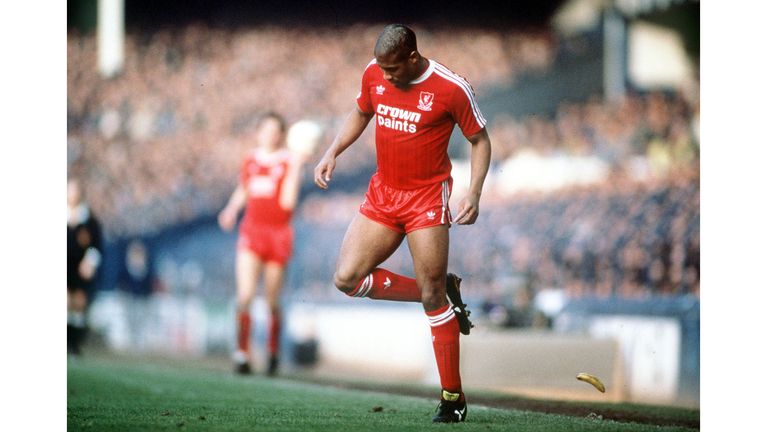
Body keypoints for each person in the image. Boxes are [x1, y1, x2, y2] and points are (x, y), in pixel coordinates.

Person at [313, 24, 492, 423]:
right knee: (347, 279)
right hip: (384, 194)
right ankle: (440, 293)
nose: (387, 76)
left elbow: (480, 140)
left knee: (432, 302)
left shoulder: (451, 88)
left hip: (426, 199)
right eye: (383, 69)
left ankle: (453, 398)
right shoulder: (374, 72)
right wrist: (332, 151)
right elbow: (361, 111)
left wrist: (474, 192)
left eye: (393, 69)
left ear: (413, 57)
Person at [218, 112, 307, 376]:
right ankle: (242, 354)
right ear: (258, 132)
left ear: (282, 134)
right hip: (252, 231)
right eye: (265, 129)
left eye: (275, 130)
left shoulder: (289, 160)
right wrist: (231, 209)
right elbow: (244, 188)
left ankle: (272, 352)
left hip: (278, 234)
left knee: (271, 301)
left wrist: (296, 168)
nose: (270, 134)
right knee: (244, 295)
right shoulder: (251, 159)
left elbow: (288, 204)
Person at [67, 178, 103, 356]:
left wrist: (89, 262)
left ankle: (74, 342)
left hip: (80, 268)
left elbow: (96, 244)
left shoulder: (88, 219)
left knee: (79, 303)